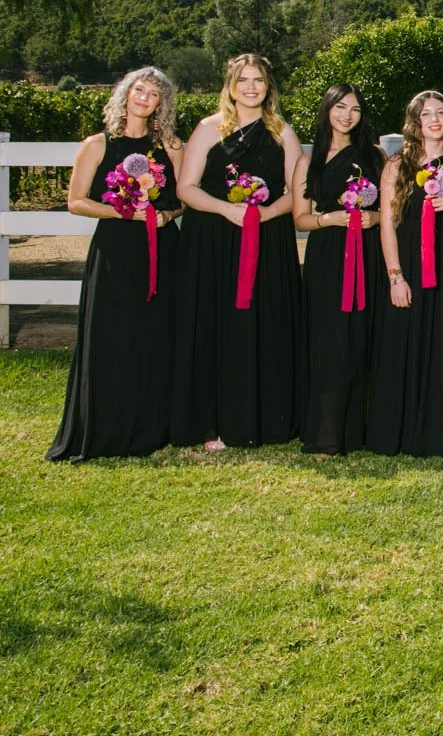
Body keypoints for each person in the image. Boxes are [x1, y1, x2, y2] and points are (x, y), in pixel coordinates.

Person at [47, 67, 185, 462]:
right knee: (111, 338)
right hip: (114, 251)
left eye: (154, 93)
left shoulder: (171, 147)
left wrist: (166, 215)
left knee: (155, 336)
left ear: (163, 104)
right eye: (139, 89)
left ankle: (150, 429)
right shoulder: (96, 144)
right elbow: (76, 202)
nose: (144, 97)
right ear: (124, 95)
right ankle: (105, 428)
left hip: (160, 252)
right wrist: (121, 210)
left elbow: (182, 199)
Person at [171, 53, 303, 450]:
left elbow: (298, 192)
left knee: (259, 326)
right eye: (243, 80)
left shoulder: (282, 132)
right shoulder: (209, 129)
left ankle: (258, 418)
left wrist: (265, 214)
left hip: (266, 242)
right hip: (212, 242)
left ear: (269, 87)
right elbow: (186, 188)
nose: (251, 87)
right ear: (230, 85)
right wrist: (227, 209)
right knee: (215, 325)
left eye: (258, 80)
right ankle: (212, 422)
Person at [371, 90, 443, 456]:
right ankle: (406, 431)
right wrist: (396, 277)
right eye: (426, 113)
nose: (434, 119)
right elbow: (388, 226)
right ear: (414, 121)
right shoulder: (396, 165)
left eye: (440, 112)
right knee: (407, 346)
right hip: (410, 267)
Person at [293, 84, 385, 455]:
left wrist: (374, 216)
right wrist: (328, 218)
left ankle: (361, 429)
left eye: (356, 109)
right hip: (327, 256)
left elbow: (393, 210)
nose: (347, 115)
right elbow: (300, 218)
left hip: (367, 253)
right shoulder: (308, 159)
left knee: (363, 336)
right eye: (340, 107)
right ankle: (326, 431)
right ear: (327, 109)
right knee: (328, 339)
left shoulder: (375, 156)